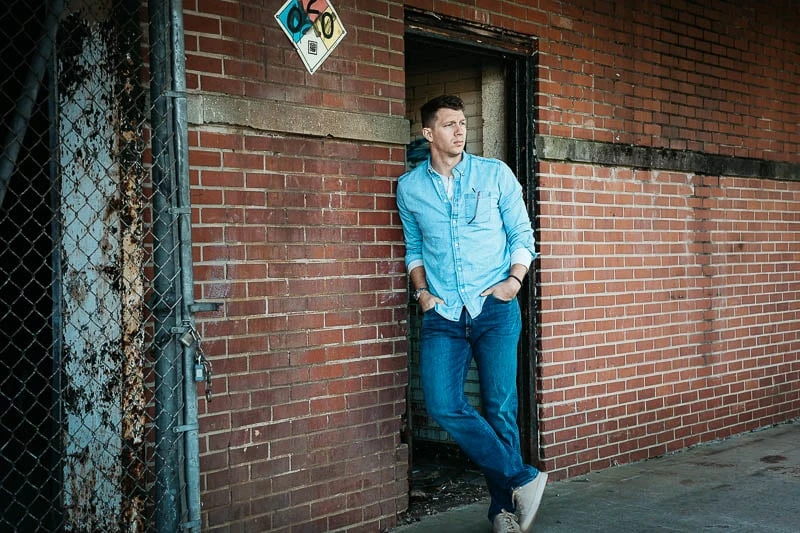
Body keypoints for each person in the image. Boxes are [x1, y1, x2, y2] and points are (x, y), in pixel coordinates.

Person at [396, 95, 547, 533]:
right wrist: (422, 293)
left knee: (499, 408)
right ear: (429, 134)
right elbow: (414, 248)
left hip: (495, 309)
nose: (459, 131)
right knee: (443, 403)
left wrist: (513, 282)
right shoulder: (410, 188)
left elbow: (523, 234)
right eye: (448, 125)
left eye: (462, 123)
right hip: (443, 312)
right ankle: (522, 477)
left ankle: (503, 510)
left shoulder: (494, 174)